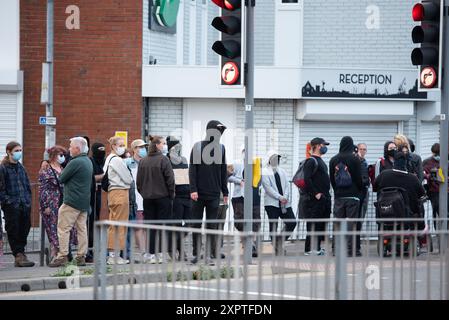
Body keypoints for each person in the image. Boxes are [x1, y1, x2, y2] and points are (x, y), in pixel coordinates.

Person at [189, 120, 229, 264]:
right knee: (196, 224)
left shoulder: (222, 148)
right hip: (198, 194)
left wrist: (225, 192)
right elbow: (192, 169)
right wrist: (193, 189)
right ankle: (196, 253)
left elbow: (223, 171)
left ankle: (208, 255)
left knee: (212, 225)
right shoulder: (198, 146)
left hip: (214, 193)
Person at [49, 137, 93, 267]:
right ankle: (81, 256)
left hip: (71, 201)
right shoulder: (88, 161)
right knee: (82, 229)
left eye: (71, 146)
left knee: (63, 229)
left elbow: (62, 178)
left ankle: (62, 256)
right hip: (84, 201)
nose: (69, 149)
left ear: (77, 149)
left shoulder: (75, 162)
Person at [137, 135, 175, 264]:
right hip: (163, 197)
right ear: (157, 145)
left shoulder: (143, 161)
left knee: (151, 226)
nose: (165, 145)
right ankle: (162, 253)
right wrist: (171, 194)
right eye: (163, 143)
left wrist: (144, 193)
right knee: (163, 226)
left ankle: (152, 254)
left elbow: (139, 182)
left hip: (148, 198)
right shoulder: (163, 160)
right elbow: (170, 179)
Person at [38, 145, 77, 262]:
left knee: (65, 227)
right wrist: (45, 206)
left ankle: (63, 252)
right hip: (51, 203)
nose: (63, 157)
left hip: (64, 201)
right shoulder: (46, 169)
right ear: (53, 156)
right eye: (60, 155)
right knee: (53, 229)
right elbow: (42, 189)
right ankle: (55, 253)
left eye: (64, 155)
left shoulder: (63, 168)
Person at [0, 141, 35, 267]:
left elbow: (26, 185)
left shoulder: (21, 167)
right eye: (16, 150)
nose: (19, 153)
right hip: (11, 206)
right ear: (9, 152)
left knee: (25, 227)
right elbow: (1, 190)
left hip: (24, 204)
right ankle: (18, 255)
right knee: (13, 229)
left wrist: (28, 200)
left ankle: (21, 253)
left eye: (20, 150)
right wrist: (9, 202)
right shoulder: (3, 168)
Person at [374, 151, 426, 231]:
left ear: (394, 161)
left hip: (386, 215)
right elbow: (421, 194)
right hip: (408, 217)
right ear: (406, 162)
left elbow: (375, 188)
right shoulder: (412, 178)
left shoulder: (384, 175)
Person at [329, 136, 363, 256]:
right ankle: (349, 250)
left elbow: (332, 180)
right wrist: (358, 190)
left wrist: (337, 191)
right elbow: (359, 179)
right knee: (351, 224)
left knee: (338, 223)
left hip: (339, 197)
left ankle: (336, 249)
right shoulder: (355, 159)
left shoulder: (333, 160)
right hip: (353, 197)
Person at [103, 136, 133, 265]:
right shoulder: (116, 160)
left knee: (114, 224)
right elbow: (128, 179)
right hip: (120, 192)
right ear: (114, 146)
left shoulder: (109, 159)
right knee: (119, 225)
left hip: (113, 193)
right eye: (120, 145)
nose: (123, 147)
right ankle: (114, 255)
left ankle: (112, 254)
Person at [262, 151, 297, 255]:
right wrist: (279, 197)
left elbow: (287, 185)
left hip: (284, 203)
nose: (276, 160)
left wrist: (285, 197)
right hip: (271, 204)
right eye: (273, 158)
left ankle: (279, 241)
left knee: (292, 222)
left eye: (277, 158)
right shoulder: (264, 172)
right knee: (273, 225)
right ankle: (277, 248)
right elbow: (268, 188)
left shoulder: (282, 171)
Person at [228, 147, 261, 257]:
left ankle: (252, 244)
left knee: (255, 222)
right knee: (240, 221)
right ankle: (248, 244)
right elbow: (227, 176)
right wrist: (239, 181)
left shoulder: (255, 164)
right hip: (239, 196)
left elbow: (259, 178)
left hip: (253, 196)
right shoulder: (236, 163)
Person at [302, 138, 331, 255]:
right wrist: (316, 193)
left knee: (320, 224)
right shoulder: (311, 161)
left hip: (324, 198)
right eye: (324, 145)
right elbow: (306, 179)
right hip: (315, 200)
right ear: (318, 146)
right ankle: (309, 249)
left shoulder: (321, 161)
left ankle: (317, 248)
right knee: (313, 224)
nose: (325, 147)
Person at [166, 136, 191, 261]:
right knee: (175, 225)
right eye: (176, 145)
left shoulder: (184, 159)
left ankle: (178, 248)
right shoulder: (166, 160)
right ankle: (176, 250)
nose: (179, 147)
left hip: (187, 195)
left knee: (188, 224)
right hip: (175, 197)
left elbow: (187, 176)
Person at [128, 139, 149, 262]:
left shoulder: (147, 162)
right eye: (141, 147)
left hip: (147, 198)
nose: (143, 150)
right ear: (135, 149)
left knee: (145, 227)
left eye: (145, 147)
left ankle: (145, 251)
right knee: (139, 227)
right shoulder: (127, 162)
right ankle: (143, 252)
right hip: (135, 199)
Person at [86, 142, 105, 263]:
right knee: (89, 225)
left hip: (99, 198)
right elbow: (90, 177)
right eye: (99, 150)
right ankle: (88, 251)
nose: (102, 153)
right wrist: (103, 176)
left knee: (96, 224)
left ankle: (93, 250)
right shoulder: (90, 161)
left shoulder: (103, 161)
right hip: (90, 198)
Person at [423, 143, 447, 231]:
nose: (436, 156)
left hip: (445, 191)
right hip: (433, 191)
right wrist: (429, 176)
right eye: (434, 154)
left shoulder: (446, 161)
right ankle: (438, 233)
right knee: (436, 212)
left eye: (438, 154)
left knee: (445, 213)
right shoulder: (426, 162)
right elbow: (422, 174)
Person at [356, 143, 370, 255]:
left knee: (361, 217)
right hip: (358, 193)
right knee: (356, 219)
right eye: (361, 149)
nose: (362, 151)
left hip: (365, 192)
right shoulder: (356, 161)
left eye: (364, 149)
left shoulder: (365, 162)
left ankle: (357, 242)